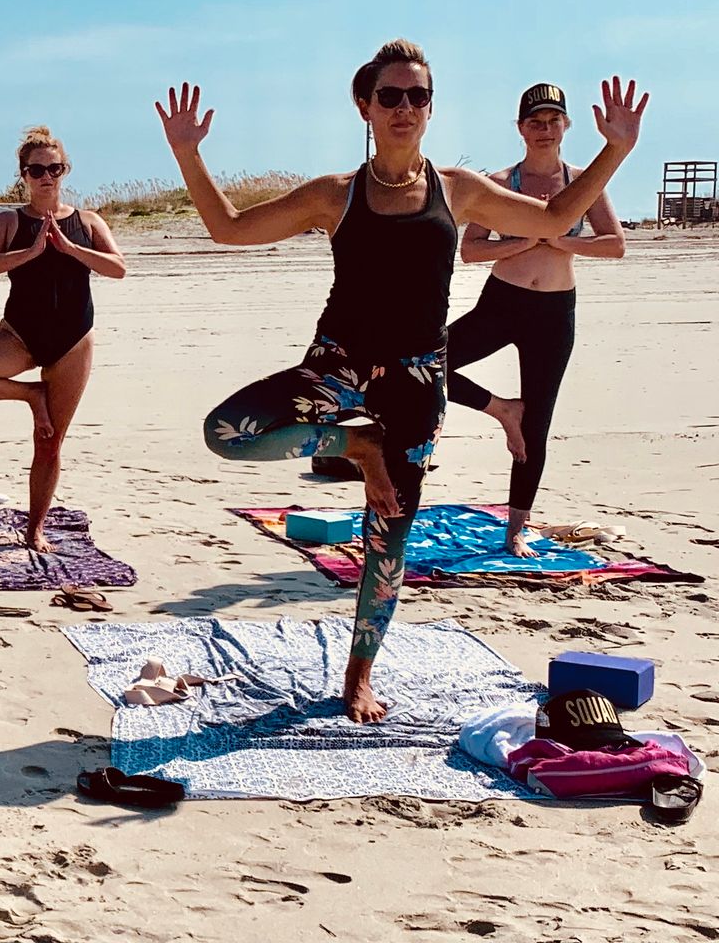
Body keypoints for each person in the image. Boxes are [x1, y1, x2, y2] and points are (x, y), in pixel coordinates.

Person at [156, 43, 645, 722]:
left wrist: (615, 150)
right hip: (339, 367)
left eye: (418, 96)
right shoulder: (336, 193)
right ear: (366, 107)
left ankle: (358, 677)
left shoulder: (459, 189)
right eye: (392, 96)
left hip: (417, 381)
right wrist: (187, 152)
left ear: (431, 107)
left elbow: (554, 220)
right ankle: (356, 446)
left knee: (390, 539)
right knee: (227, 433)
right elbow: (228, 229)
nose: (406, 108)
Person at [446, 85, 626, 556]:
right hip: (502, 303)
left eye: (552, 121)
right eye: (534, 122)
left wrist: (561, 241)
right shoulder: (502, 183)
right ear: (520, 128)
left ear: (565, 126)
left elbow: (614, 244)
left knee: (538, 424)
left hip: (554, 312)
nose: (544, 130)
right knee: (425, 363)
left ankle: (516, 528)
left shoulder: (584, 181)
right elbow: (471, 250)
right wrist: (527, 240)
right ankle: (501, 409)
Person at [0, 126, 126, 551]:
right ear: (23, 174)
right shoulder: (9, 221)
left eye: (54, 168)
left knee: (49, 442)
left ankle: (34, 528)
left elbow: (118, 267)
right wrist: (33, 252)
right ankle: (30, 395)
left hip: (73, 341)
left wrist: (71, 249)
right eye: (36, 169)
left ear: (65, 170)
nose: (46, 176)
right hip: (19, 336)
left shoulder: (88, 221)